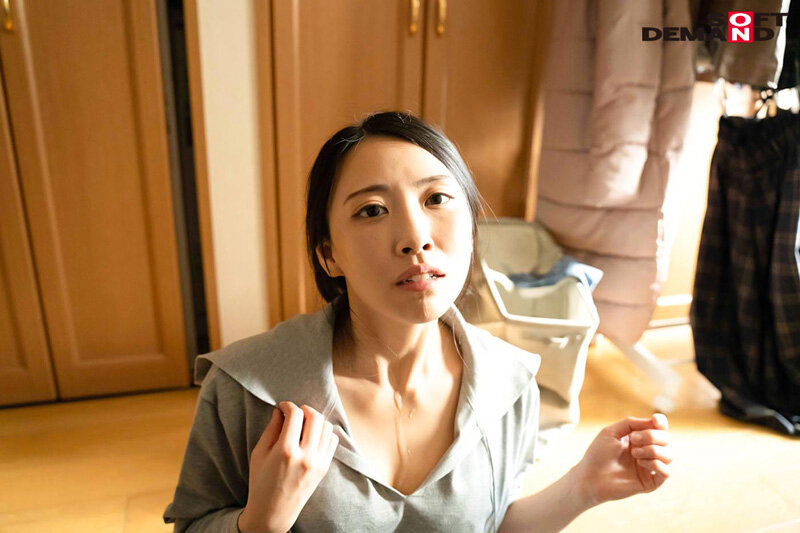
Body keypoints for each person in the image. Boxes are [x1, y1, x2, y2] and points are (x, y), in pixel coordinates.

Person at [163, 111, 673, 533]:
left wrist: (583, 486)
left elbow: (493, 524)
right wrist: (260, 523)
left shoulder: (510, 382)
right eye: (372, 210)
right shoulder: (248, 389)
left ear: (471, 227)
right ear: (328, 255)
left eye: (436, 199)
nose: (415, 237)